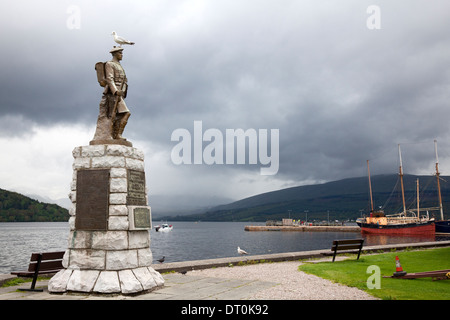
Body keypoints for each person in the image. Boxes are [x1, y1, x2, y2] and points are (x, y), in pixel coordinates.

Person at [92, 47, 131, 143]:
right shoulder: (110, 64)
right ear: (115, 54)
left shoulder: (119, 65)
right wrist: (115, 91)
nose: (122, 55)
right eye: (120, 53)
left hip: (120, 93)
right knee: (126, 113)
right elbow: (110, 79)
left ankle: (116, 135)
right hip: (113, 94)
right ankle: (117, 135)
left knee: (120, 115)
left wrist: (122, 91)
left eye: (122, 53)